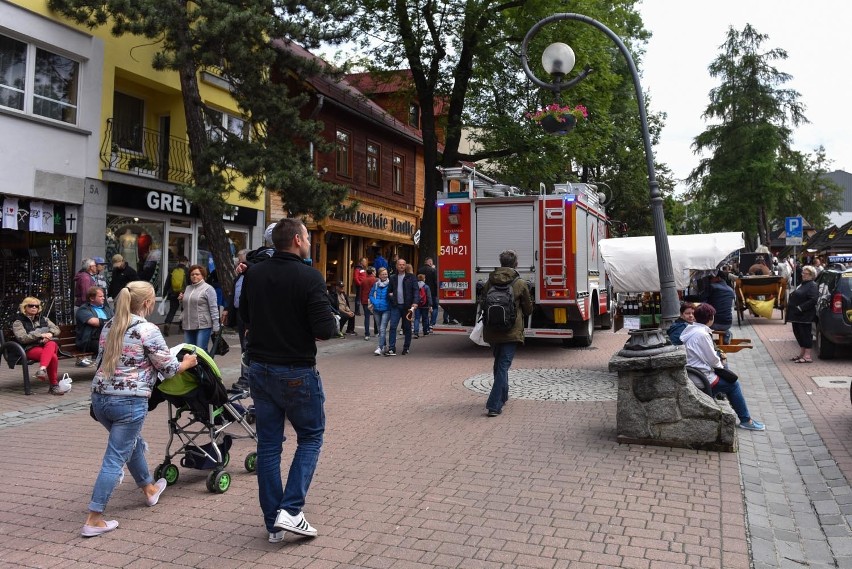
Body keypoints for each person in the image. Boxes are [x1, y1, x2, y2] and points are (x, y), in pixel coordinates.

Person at [238, 218, 337, 542]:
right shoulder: (309, 276)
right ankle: (291, 510)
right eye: (307, 237)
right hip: (296, 370)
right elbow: (325, 329)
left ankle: (273, 524)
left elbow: (244, 318)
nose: (309, 242)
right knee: (310, 437)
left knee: (269, 446)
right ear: (297, 240)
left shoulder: (254, 274)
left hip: (260, 369)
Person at [82, 281, 198, 537]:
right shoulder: (148, 329)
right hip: (129, 401)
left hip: (101, 397)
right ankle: (94, 517)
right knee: (115, 457)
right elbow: (168, 370)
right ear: (147, 303)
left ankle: (149, 489)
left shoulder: (109, 325)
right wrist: (187, 362)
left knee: (129, 444)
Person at [681, 303, 765, 431]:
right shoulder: (702, 334)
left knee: (729, 381)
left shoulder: (691, 330)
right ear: (710, 319)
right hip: (702, 377)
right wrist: (722, 366)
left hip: (695, 373)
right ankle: (746, 420)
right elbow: (713, 360)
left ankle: (740, 416)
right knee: (733, 384)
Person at [481, 250, 533, 417]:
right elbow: (528, 309)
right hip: (511, 330)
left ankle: (503, 396)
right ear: (515, 264)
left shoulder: (490, 280)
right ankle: (494, 405)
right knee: (503, 366)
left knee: (498, 364)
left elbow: (483, 302)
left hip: (492, 329)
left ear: (501, 262)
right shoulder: (520, 283)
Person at [12, 297, 63, 395]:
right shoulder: (18, 322)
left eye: (36, 306)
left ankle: (42, 369)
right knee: (53, 356)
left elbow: (57, 329)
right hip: (30, 348)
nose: (34, 307)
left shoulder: (44, 319)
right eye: (31, 305)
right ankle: (54, 385)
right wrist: (40, 335)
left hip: (46, 346)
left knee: (51, 343)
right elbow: (23, 338)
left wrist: (50, 334)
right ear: (24, 307)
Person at [179, 264, 220, 351]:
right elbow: (187, 305)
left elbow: (214, 308)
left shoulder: (208, 289)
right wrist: (182, 300)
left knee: (200, 351)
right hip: (188, 325)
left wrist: (216, 326)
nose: (194, 276)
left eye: (197, 274)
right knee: (189, 352)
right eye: (192, 274)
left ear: (203, 275)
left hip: (203, 325)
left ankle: (206, 364)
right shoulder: (188, 288)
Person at [386, 257, 419, 356]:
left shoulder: (411, 277)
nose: (401, 266)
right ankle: (392, 348)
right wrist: (391, 297)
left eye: (403, 264)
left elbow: (416, 290)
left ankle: (406, 347)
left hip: (407, 306)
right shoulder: (392, 278)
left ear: (405, 266)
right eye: (399, 264)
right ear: (396, 266)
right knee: (392, 327)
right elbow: (389, 291)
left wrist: (415, 302)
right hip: (396, 306)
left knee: (407, 328)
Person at [787, 265, 819, 363]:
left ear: (812, 275)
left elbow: (813, 299)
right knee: (798, 333)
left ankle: (807, 356)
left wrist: (800, 308)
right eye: (803, 273)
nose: (803, 275)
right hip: (797, 316)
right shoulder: (803, 284)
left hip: (805, 315)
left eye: (806, 274)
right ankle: (802, 353)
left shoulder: (812, 285)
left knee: (805, 334)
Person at [75, 286, 114, 365]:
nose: (103, 298)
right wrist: (109, 322)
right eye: (100, 296)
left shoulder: (106, 309)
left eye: (103, 296)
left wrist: (107, 322)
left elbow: (116, 320)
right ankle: (104, 371)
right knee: (108, 347)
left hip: (107, 337)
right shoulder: (83, 309)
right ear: (92, 298)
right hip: (90, 340)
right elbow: (94, 322)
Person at [700, 271, 735, 344]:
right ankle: (727, 334)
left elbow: (700, 299)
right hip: (728, 323)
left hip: (713, 323)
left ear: (718, 278)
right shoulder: (731, 290)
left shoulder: (712, 287)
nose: (710, 280)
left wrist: (685, 297)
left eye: (711, 278)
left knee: (699, 322)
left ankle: (709, 341)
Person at [162, 255, 189, 336]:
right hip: (184, 293)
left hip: (173, 293)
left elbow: (167, 283)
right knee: (184, 310)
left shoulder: (172, 270)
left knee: (172, 310)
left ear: (178, 261)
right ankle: (181, 328)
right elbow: (190, 283)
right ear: (185, 262)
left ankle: (167, 323)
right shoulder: (187, 270)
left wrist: (164, 294)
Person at [369, 267, 391, 355]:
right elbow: (370, 295)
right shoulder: (376, 284)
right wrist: (375, 302)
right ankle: (384, 345)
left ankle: (380, 347)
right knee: (379, 328)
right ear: (379, 276)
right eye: (383, 274)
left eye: (386, 274)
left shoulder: (390, 284)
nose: (385, 275)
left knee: (382, 328)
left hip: (386, 309)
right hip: (376, 309)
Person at [418, 257, 439, 329]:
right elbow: (436, 282)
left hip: (421, 293)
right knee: (435, 307)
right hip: (432, 292)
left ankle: (425, 326)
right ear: (430, 262)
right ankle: (432, 323)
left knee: (424, 309)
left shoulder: (420, 270)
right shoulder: (433, 270)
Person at [412, 273, 433, 338]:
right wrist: (430, 305)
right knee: (425, 318)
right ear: (424, 279)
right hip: (425, 305)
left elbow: (413, 295)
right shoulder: (426, 287)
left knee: (417, 319)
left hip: (417, 304)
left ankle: (416, 332)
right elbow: (429, 296)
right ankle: (425, 331)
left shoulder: (415, 286)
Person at [360, 267, 377, 340]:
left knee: (366, 317)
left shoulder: (364, 280)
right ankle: (376, 332)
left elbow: (361, 291)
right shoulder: (375, 280)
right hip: (373, 300)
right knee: (376, 316)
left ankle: (367, 334)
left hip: (365, 300)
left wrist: (361, 300)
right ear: (373, 272)